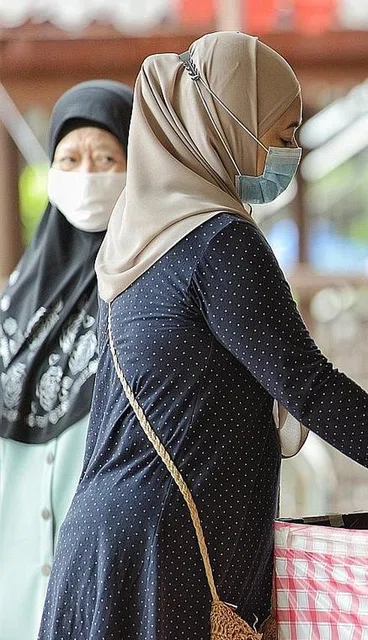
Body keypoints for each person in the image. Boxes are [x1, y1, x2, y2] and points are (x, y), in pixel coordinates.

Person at [39, 32, 368, 640]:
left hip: (103, 542)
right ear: (227, 125)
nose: (291, 154)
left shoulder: (134, 245)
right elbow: (308, 384)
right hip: (168, 556)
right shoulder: (219, 243)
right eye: (281, 136)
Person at [0, 80, 133, 640]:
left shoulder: (149, 293)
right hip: (12, 580)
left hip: (104, 576)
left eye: (107, 158)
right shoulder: (16, 303)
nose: (86, 176)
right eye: (70, 158)